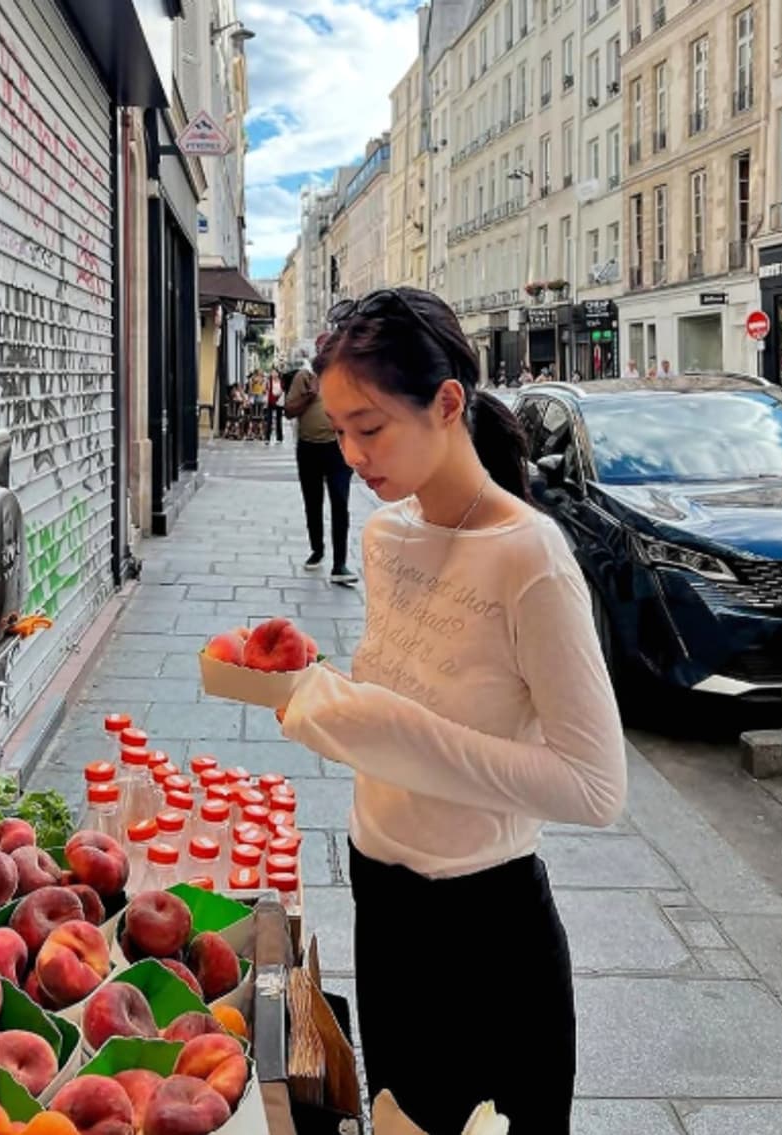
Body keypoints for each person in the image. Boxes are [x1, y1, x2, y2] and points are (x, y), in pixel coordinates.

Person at [277, 286, 626, 1134]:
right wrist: (313, 691)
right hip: (381, 898)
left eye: (369, 427)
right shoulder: (385, 536)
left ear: (446, 403)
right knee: (398, 1119)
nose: (351, 453)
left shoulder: (529, 558)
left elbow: (594, 785)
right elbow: (403, 695)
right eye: (338, 429)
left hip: (488, 928)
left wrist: (388, 733)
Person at [284, 342, 358, 583]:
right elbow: (289, 410)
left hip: (338, 449)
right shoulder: (303, 378)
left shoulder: (348, 377)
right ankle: (317, 549)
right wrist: (310, 395)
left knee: (340, 501)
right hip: (308, 449)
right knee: (313, 502)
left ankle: (340, 564)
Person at [265, 368, 285, 444]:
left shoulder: (281, 381)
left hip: (279, 402)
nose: (273, 374)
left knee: (278, 420)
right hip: (270, 401)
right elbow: (266, 390)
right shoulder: (269, 381)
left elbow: (283, 390)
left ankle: (279, 438)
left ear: (277, 373)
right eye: (272, 372)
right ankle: (267, 438)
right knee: (269, 420)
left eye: (274, 372)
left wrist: (279, 393)